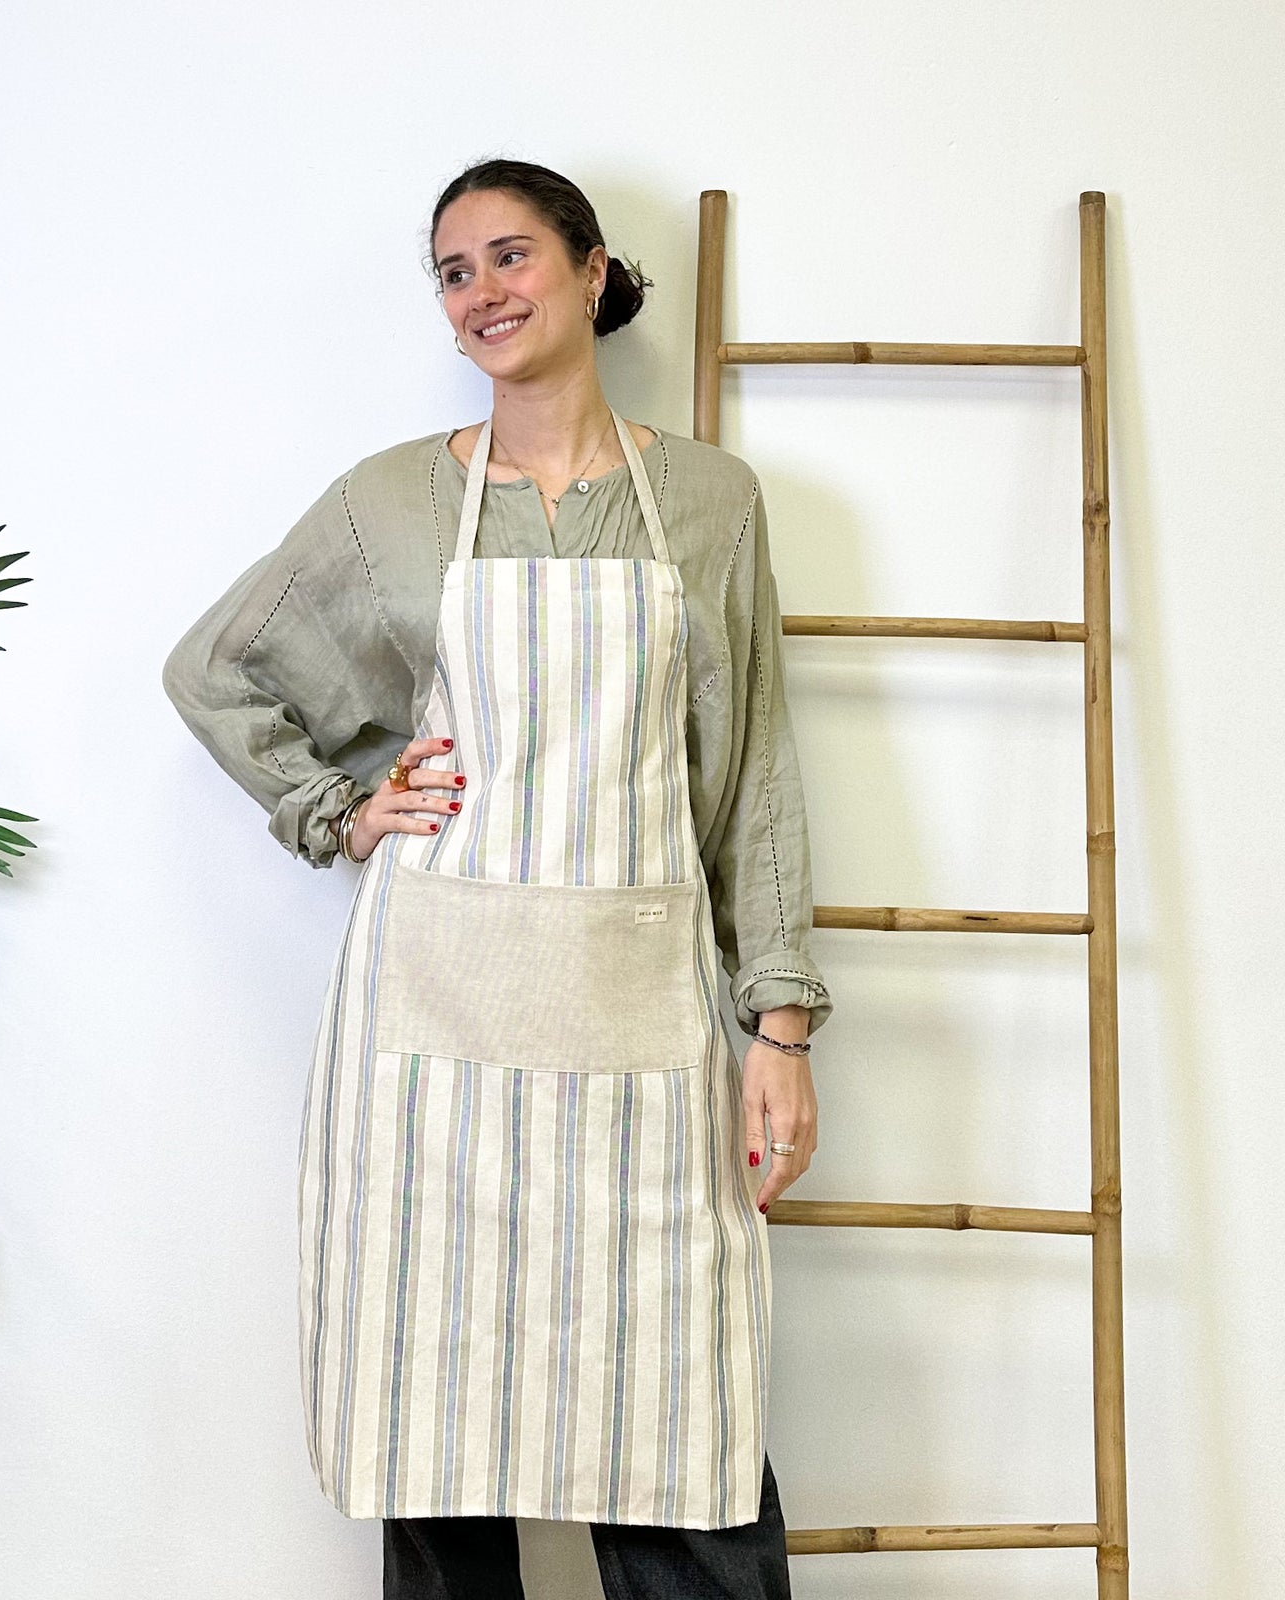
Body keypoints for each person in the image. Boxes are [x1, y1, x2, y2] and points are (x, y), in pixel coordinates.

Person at [161, 158, 834, 1599]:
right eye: (454, 272)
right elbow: (216, 671)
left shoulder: (709, 503)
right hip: (435, 1051)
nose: (482, 292)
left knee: (679, 1413)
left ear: (592, 272)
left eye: (511, 256)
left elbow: (752, 774)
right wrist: (340, 812)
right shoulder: (392, 502)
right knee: (438, 1414)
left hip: (644, 1031)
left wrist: (777, 1026)